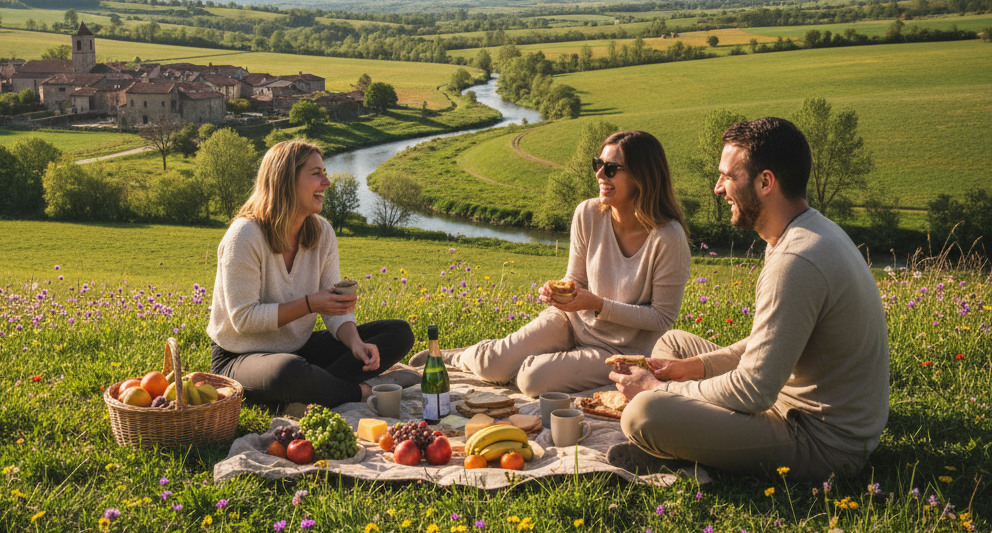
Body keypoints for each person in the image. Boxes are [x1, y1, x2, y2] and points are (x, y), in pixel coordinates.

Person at [609, 117, 889, 483]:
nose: (717, 188)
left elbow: (754, 389)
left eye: (728, 176)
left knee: (642, 414)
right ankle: (691, 439)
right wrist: (692, 368)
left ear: (765, 182)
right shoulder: (804, 231)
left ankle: (685, 451)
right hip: (788, 401)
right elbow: (768, 344)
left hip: (823, 442)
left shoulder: (796, 261)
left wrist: (663, 389)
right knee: (673, 346)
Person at [414, 130, 691, 397]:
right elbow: (576, 279)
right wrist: (561, 293)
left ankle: (508, 359)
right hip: (571, 322)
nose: (598, 175)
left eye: (610, 169)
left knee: (530, 380)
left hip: (618, 350)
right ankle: (464, 356)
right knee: (491, 366)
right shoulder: (588, 213)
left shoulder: (668, 238)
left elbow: (661, 317)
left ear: (642, 177)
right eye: (598, 164)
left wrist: (597, 305)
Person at [208, 140, 414, 409]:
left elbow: (333, 307)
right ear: (285, 180)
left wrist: (355, 343)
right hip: (238, 357)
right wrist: (309, 304)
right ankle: (357, 392)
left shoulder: (322, 232)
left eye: (324, 172)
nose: (326, 182)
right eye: (316, 174)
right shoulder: (245, 235)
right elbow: (243, 319)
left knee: (398, 332)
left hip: (297, 349)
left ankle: (311, 390)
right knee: (288, 371)